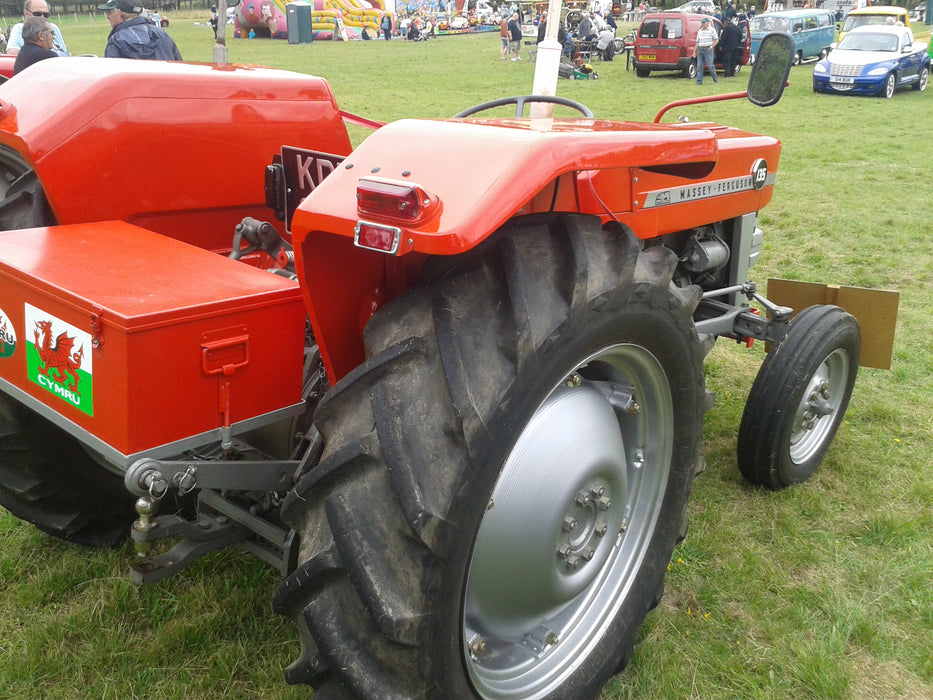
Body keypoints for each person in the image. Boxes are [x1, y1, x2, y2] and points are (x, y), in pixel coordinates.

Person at [99, 0, 182, 60]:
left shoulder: (116, 40)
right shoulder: (161, 34)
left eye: (109, 12)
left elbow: (113, 76)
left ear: (120, 13)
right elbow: (178, 67)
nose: (107, 17)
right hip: (165, 83)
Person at [693, 16, 718, 84]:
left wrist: (711, 47)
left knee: (710, 65)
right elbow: (697, 42)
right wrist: (694, 51)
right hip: (700, 49)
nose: (703, 25)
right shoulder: (700, 31)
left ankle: (715, 79)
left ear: (708, 23)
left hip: (708, 49)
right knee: (699, 66)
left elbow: (716, 40)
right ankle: (699, 82)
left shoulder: (712, 30)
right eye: (702, 23)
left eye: (704, 23)